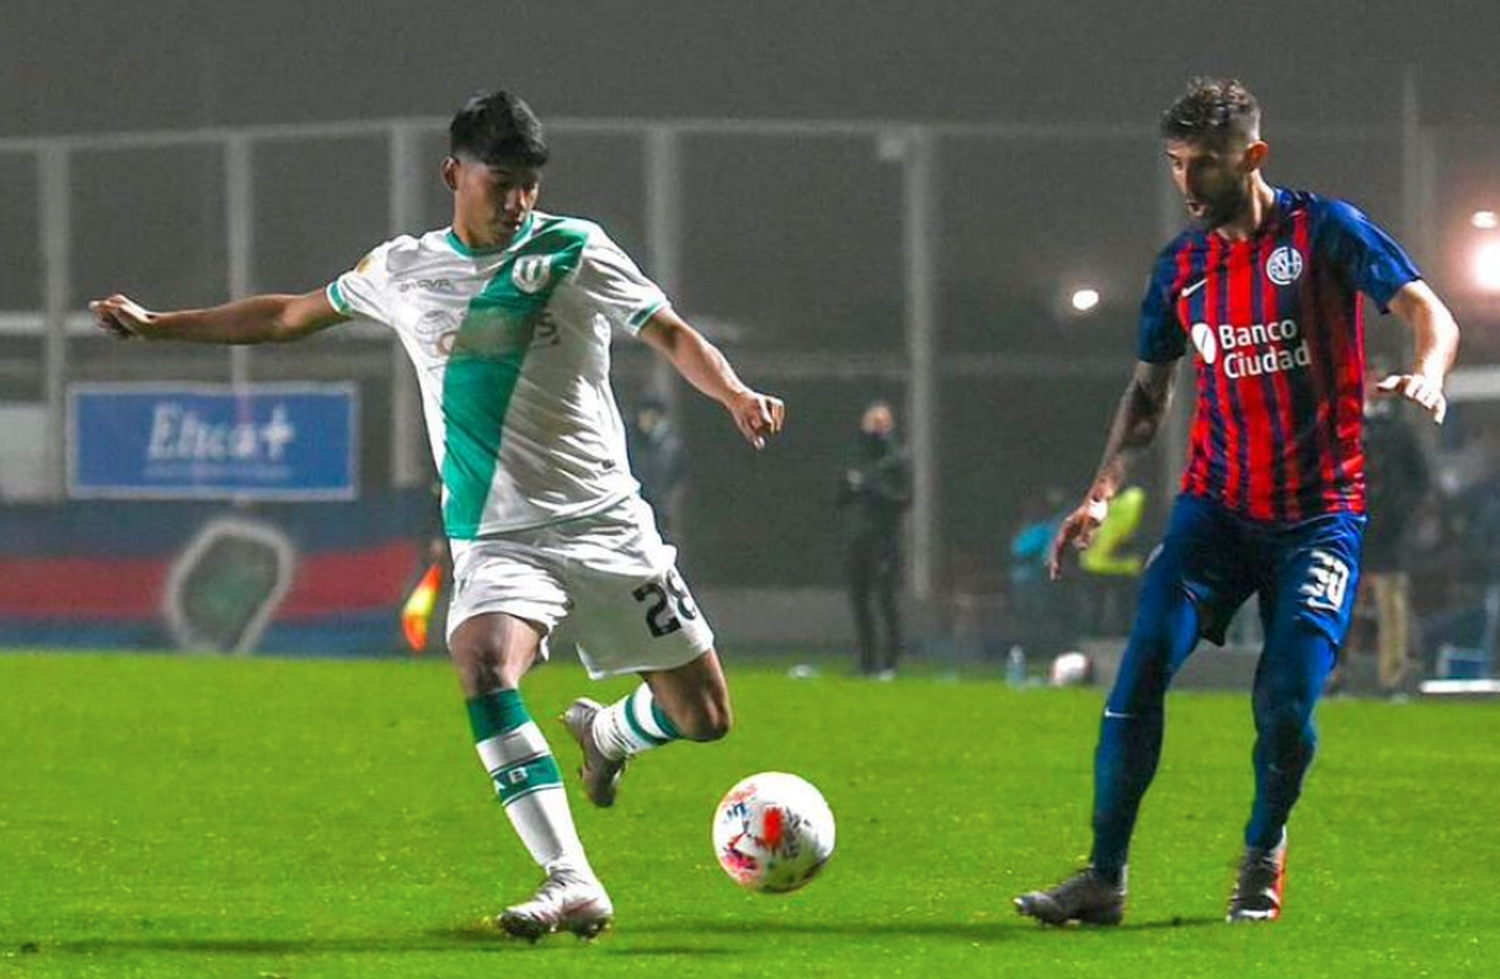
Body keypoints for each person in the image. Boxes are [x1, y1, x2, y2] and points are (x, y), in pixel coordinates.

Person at [91, 89, 786, 941]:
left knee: (704, 718)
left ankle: (609, 733)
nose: (518, 200)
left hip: (608, 524)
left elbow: (668, 329)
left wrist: (734, 391)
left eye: (529, 183)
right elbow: (284, 316)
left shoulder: (574, 248)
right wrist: (161, 327)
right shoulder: (402, 268)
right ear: (453, 173)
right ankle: (570, 877)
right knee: (482, 661)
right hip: (497, 535)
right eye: (501, 182)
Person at [1014, 78, 1459, 927]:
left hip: (1319, 518)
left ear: (1253, 157)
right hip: (1214, 512)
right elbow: (1149, 392)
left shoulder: (1325, 229)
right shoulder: (1180, 267)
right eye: (1177, 163)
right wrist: (1102, 488)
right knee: (1139, 668)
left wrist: (1430, 375)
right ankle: (1104, 876)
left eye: (1205, 164)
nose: (1187, 182)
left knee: (1285, 702)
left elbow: (1428, 310)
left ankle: (1263, 851)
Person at [1360, 368, 1431, 697]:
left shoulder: (1399, 430)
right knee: (1337, 599)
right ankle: (1333, 673)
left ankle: (1392, 679)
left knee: (1392, 605)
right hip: (1351, 524)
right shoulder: (1346, 424)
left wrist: (1401, 513)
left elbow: (1420, 479)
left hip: (1388, 530)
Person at [835, 400, 910, 678]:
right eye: (871, 424)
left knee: (885, 600)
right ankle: (866, 661)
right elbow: (839, 499)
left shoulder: (896, 460)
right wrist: (851, 487)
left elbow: (904, 499)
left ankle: (890, 661)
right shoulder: (855, 459)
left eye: (880, 425)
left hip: (884, 541)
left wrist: (873, 488)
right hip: (857, 540)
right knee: (859, 600)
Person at [627, 397, 683, 536]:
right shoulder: (628, 441)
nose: (650, 421)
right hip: (631, 504)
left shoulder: (671, 445)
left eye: (654, 417)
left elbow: (676, 475)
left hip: (659, 507)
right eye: (646, 416)